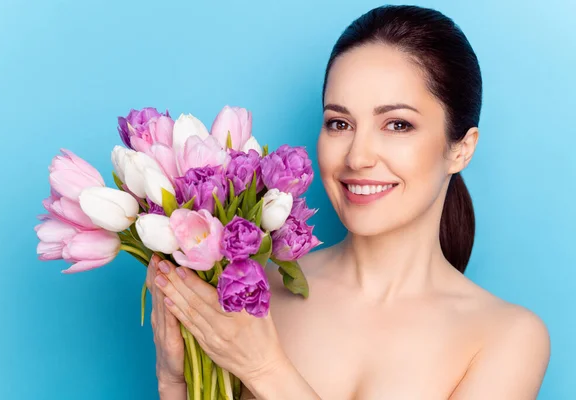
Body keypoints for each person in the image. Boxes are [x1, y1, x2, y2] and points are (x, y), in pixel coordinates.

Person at [146, 5, 551, 399]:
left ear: (461, 149)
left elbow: (264, 369)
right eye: (339, 123)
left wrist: (266, 371)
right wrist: (174, 381)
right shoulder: (254, 291)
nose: (357, 157)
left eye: (397, 124)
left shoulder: (506, 337)